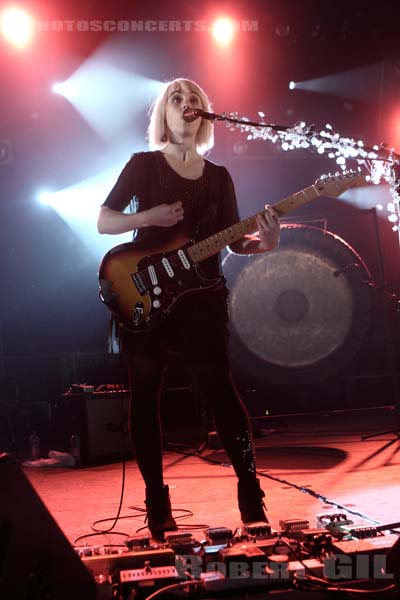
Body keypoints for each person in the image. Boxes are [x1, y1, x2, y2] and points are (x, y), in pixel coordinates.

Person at [97, 78, 280, 541]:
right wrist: (147, 218)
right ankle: (157, 503)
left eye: (195, 98)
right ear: (164, 112)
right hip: (147, 291)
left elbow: (237, 241)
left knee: (220, 390)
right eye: (177, 98)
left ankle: (250, 493)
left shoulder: (219, 177)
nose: (187, 103)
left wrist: (266, 242)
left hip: (201, 298)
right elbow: (104, 220)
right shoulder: (142, 166)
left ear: (205, 114)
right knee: (145, 395)